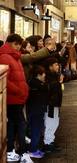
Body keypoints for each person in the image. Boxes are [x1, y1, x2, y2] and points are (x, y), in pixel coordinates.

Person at [0, 34, 33, 163]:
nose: (19, 47)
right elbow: (5, 81)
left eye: (19, 44)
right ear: (11, 43)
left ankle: (11, 151)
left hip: (17, 98)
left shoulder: (15, 56)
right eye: (17, 44)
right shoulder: (5, 57)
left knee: (14, 124)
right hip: (12, 98)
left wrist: (23, 90)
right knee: (20, 124)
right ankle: (21, 152)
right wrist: (19, 91)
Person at [43, 58, 63, 153]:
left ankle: (50, 142)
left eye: (57, 65)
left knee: (54, 122)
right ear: (50, 66)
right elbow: (49, 89)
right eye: (55, 65)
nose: (57, 66)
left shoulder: (55, 75)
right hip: (51, 104)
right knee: (51, 123)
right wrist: (58, 82)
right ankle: (48, 144)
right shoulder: (47, 76)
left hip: (55, 104)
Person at [27, 66, 48, 159]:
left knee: (36, 130)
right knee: (36, 130)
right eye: (43, 73)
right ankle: (32, 150)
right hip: (37, 111)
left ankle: (34, 149)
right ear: (39, 75)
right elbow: (47, 90)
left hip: (34, 110)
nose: (45, 75)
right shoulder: (38, 84)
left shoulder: (31, 82)